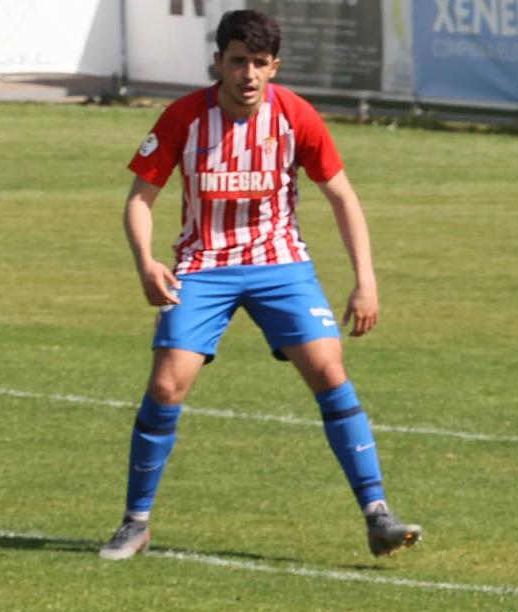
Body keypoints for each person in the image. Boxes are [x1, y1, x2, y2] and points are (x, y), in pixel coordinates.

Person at [101, 9, 419, 562]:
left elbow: (343, 197)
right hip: (204, 265)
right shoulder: (183, 118)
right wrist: (147, 263)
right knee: (167, 386)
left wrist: (366, 281)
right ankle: (136, 522)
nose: (248, 74)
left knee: (329, 369)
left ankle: (377, 514)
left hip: (280, 264)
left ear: (275, 66)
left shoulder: (296, 116)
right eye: (238, 61)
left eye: (260, 63)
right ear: (219, 62)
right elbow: (139, 198)